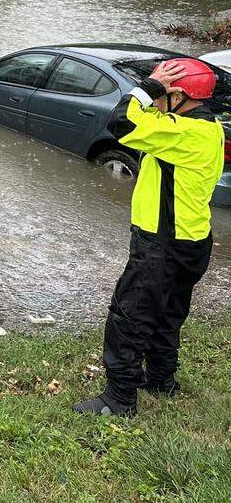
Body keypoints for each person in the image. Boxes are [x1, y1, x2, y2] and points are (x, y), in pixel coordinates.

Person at [74, 58, 226, 417]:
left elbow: (121, 121)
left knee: (129, 316)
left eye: (164, 94)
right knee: (167, 315)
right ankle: (161, 379)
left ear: (179, 97)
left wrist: (150, 85)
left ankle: (119, 399)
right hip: (193, 238)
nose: (157, 101)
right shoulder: (208, 126)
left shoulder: (180, 131)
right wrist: (159, 89)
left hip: (162, 242)